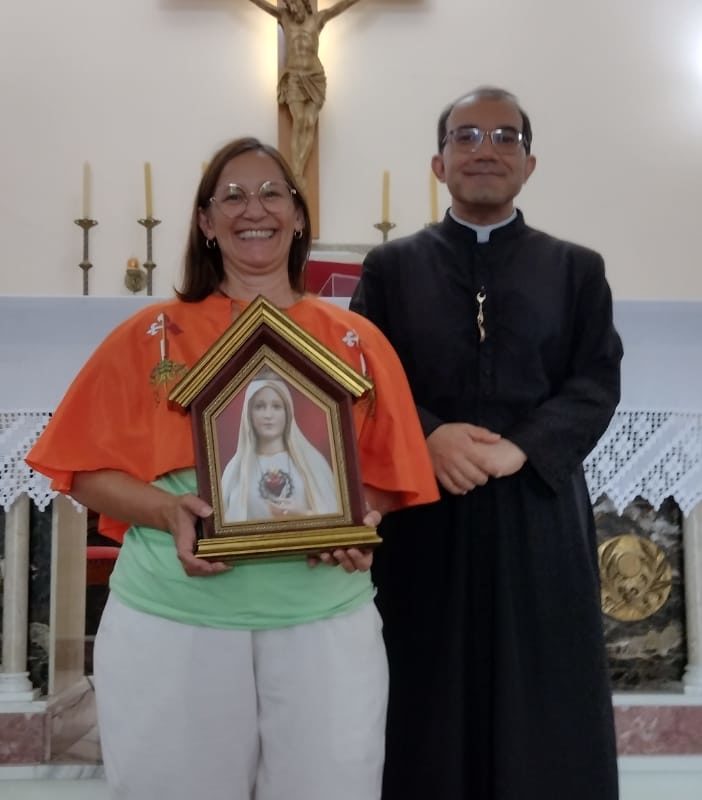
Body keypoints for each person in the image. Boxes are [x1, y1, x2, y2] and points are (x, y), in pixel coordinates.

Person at [26, 136, 438, 800]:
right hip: (173, 616)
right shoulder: (150, 336)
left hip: (321, 615)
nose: (255, 209)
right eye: (234, 196)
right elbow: (83, 469)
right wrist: (167, 510)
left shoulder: (355, 341)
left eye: (273, 193)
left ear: (299, 217)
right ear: (205, 221)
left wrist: (360, 516)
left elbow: (391, 474)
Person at [350, 86, 623, 800]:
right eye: (466, 136)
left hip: (537, 508)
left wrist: (521, 447)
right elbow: (362, 379)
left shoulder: (576, 269)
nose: (486, 150)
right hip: (423, 509)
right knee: (425, 686)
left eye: (506, 137)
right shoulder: (391, 269)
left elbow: (596, 381)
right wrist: (431, 436)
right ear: (438, 164)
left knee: (545, 692)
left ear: (529, 164)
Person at [245, 0, 362, 185]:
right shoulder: (284, 18)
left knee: (309, 122)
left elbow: (339, 7)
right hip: (294, 78)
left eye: (296, 4)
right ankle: (296, 173)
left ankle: (298, 172)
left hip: (315, 77)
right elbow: (265, 6)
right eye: (290, 5)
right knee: (299, 120)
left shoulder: (318, 19)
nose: (293, 9)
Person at [220, 370, 339, 522]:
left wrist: (304, 514)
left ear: (287, 412)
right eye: (260, 406)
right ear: (249, 414)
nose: (268, 415)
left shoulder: (313, 462)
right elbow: (224, 524)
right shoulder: (235, 469)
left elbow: (335, 518)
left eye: (276, 406)